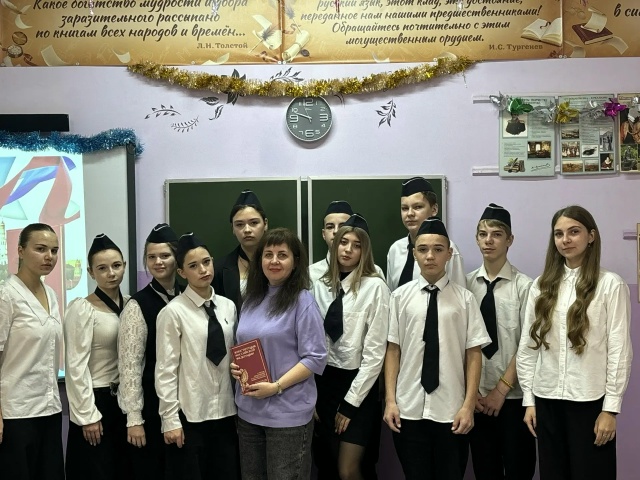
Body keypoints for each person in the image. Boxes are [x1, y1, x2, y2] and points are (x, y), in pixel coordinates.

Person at [516, 205, 633, 479]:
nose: (565, 240)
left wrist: (610, 409)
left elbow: (619, 350)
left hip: (590, 402)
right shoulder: (541, 286)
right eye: (559, 234)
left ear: (591, 236)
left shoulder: (610, 285)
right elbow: (528, 347)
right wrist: (529, 400)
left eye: (574, 232)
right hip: (547, 401)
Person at [383, 217, 490, 480]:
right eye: (423, 249)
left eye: (438, 249)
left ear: (449, 254)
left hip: (452, 411)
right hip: (408, 409)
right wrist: (390, 401)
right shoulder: (399, 298)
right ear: (414, 254)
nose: (430, 256)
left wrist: (468, 406)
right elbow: (393, 351)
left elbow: (473, 354)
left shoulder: (465, 300)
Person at [231, 228, 327, 480]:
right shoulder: (250, 299)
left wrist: (276, 387)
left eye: (282, 255)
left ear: (295, 262)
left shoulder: (303, 302)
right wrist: (236, 368)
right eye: (268, 254)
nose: (274, 261)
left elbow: (316, 357)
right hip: (249, 412)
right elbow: (245, 344)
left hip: (287, 416)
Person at [155, 232, 240, 478]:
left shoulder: (228, 306)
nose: (203, 270)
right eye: (193, 266)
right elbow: (166, 370)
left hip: (226, 412)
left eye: (206, 262)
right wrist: (170, 419)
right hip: (191, 415)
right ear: (182, 272)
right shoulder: (173, 312)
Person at [312, 214, 390, 480]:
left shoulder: (375, 287)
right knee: (328, 465)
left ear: (364, 251)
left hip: (358, 385)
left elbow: (375, 355)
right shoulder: (319, 285)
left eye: (356, 245)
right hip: (323, 382)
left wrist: (350, 404)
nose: (348, 250)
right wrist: (310, 394)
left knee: (348, 469)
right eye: (344, 242)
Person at [466, 204, 536, 480]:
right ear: (476, 239)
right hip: (477, 399)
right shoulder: (466, 286)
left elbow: (528, 344)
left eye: (496, 234)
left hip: (514, 398)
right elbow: (462, 344)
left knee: (519, 470)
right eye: (483, 234)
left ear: (510, 240)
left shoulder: (525, 286)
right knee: (485, 471)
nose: (489, 240)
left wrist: (501, 390)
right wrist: (473, 393)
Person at [65, 233, 133, 480]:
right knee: (96, 470)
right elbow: (75, 366)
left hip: (124, 402)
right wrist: (87, 416)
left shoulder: (131, 305)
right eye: (102, 268)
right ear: (91, 272)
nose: (111, 273)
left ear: (124, 265)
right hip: (96, 401)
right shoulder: (82, 308)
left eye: (116, 266)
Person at [0, 223, 64, 479]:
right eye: (40, 249)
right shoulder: (6, 296)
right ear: (20, 251)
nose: (49, 256)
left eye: (54, 250)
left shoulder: (51, 294)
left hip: (50, 408)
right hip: (16, 413)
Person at [118, 223, 181, 477]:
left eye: (165, 255)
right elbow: (129, 365)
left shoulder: (189, 296)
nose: (158, 262)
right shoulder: (137, 305)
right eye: (151, 257)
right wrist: (134, 418)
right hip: (152, 408)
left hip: (186, 405)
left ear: (177, 258)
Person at [386, 177, 465, 292]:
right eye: (405, 208)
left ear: (434, 209)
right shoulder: (395, 250)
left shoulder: (447, 250)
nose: (410, 214)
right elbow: (392, 295)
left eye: (418, 207)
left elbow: (459, 295)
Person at [213, 189, 268, 313]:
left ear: (265, 224)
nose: (247, 230)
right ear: (232, 228)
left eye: (254, 223)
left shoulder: (280, 263)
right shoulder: (219, 270)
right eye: (239, 224)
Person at [310, 200, 384, 288]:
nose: (336, 231)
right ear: (323, 234)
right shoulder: (311, 274)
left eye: (342, 226)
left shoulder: (374, 274)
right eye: (330, 227)